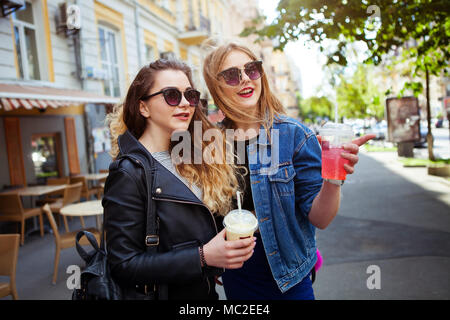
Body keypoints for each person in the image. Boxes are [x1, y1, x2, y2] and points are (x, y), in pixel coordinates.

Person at [202, 42, 375, 300]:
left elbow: (321, 218)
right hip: (237, 274)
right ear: (216, 87)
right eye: (231, 75)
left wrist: (334, 178)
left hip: (290, 276)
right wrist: (212, 259)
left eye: (251, 69)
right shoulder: (209, 142)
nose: (245, 80)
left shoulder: (295, 135)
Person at [103, 58, 255, 300]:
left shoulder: (191, 158)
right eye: (172, 95)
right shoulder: (128, 172)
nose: (185, 103)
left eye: (190, 95)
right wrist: (203, 256)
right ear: (144, 107)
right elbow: (123, 265)